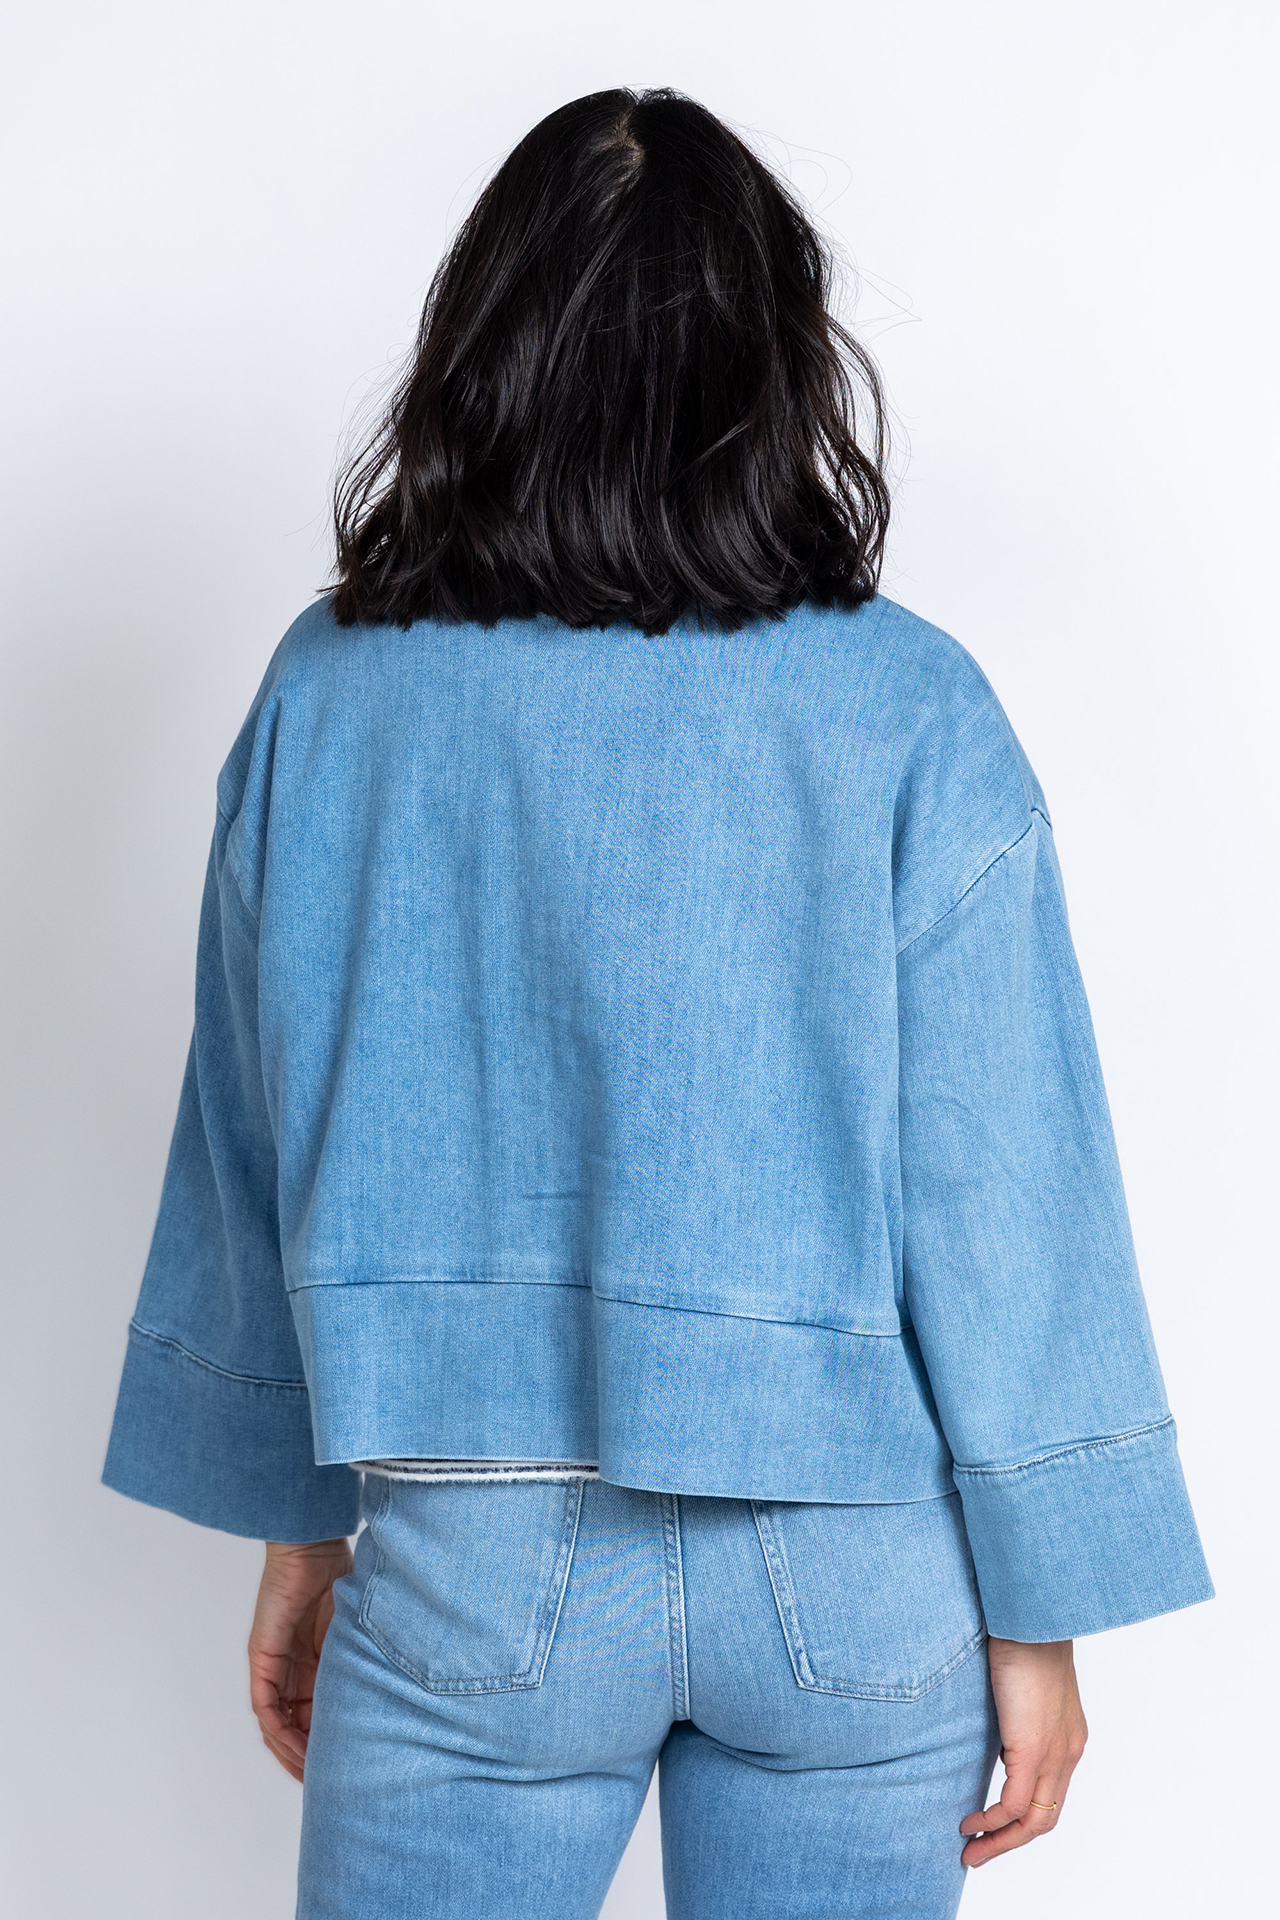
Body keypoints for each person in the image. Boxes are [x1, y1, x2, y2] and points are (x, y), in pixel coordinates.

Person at [102, 88, 1212, 1920]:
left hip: (470, 1551)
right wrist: (1042, 1616)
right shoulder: (910, 705)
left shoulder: (332, 695)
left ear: (485, 347)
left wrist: (297, 1527)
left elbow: (258, 1119)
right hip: (858, 1570)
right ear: (775, 369)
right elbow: (1013, 1187)